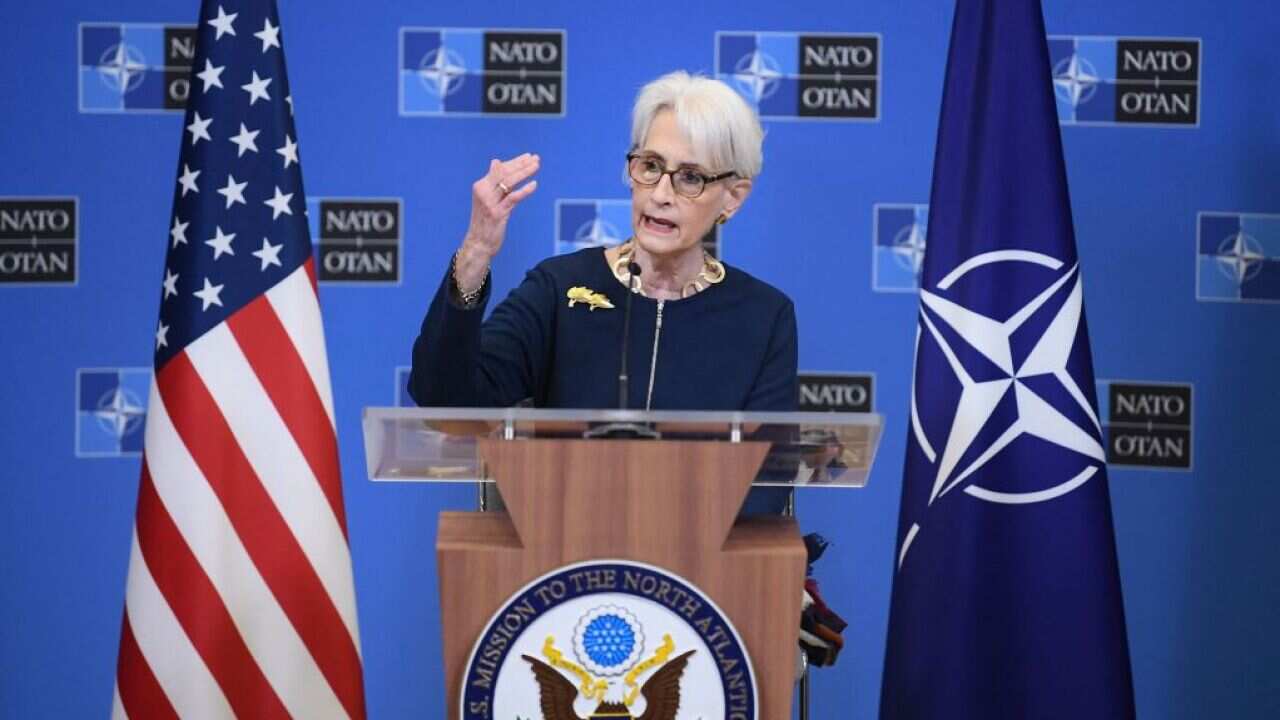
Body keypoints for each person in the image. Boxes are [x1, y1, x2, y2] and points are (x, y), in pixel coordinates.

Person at [408, 71, 797, 514]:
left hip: (700, 555)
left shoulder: (763, 316)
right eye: (651, 166)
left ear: (732, 197)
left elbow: (766, 486)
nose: (661, 194)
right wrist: (476, 250)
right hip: (563, 550)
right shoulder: (560, 290)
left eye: (690, 178)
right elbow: (446, 401)